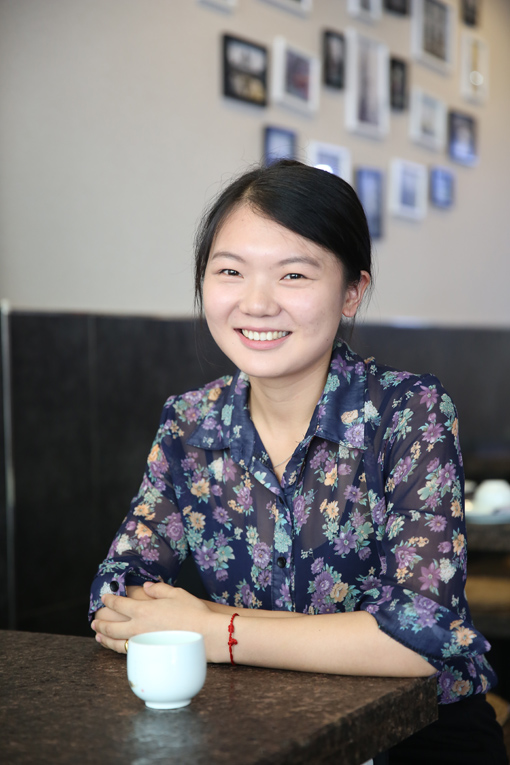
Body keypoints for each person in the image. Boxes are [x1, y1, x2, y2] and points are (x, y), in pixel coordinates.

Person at [90, 161, 507, 763]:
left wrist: (215, 628)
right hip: (256, 731)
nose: (257, 303)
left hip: (417, 737)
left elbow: (422, 636)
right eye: (230, 271)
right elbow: (117, 591)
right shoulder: (189, 423)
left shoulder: (408, 411)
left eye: (293, 274)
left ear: (351, 292)